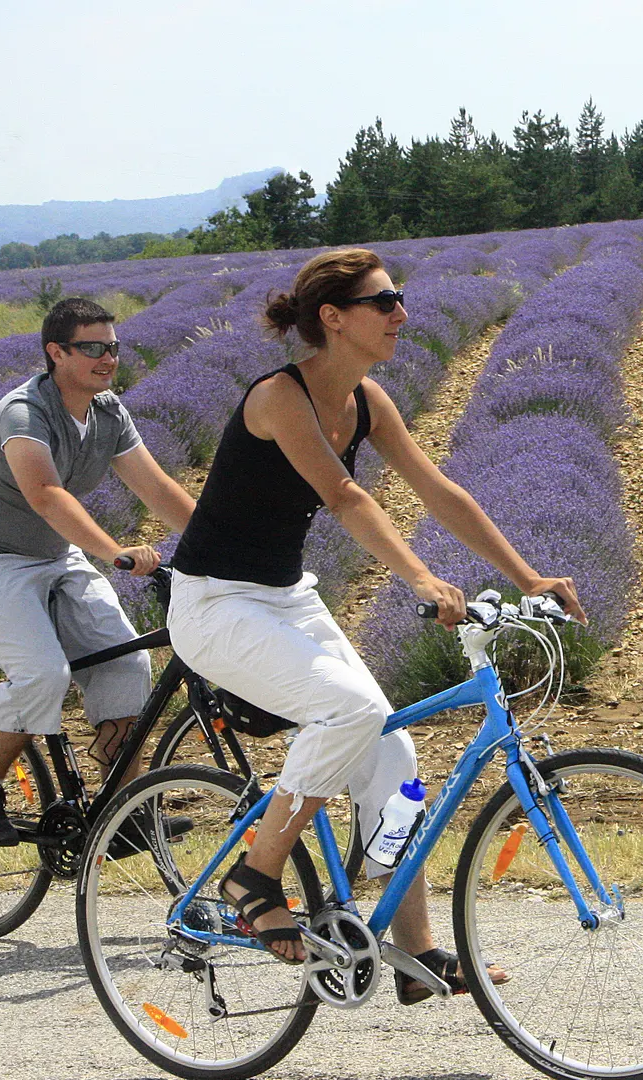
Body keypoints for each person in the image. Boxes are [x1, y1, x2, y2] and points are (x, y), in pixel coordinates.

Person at [166, 248, 584, 1002]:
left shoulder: (368, 399)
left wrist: (528, 576)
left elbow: (440, 492)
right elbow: (345, 495)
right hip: (214, 604)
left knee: (390, 745)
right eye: (384, 301)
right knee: (351, 710)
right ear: (332, 318)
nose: (401, 313)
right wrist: (421, 578)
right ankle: (255, 876)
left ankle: (418, 956)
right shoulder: (278, 398)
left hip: (285, 595)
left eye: (401, 298)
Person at [0, 297, 197, 851]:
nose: (109, 357)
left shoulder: (108, 412)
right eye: (93, 347)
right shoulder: (23, 413)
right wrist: (114, 551)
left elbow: (154, 488)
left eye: (114, 347)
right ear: (56, 352)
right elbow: (47, 495)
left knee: (126, 660)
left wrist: (224, 546)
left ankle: (122, 809)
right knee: (42, 674)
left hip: (55, 557)